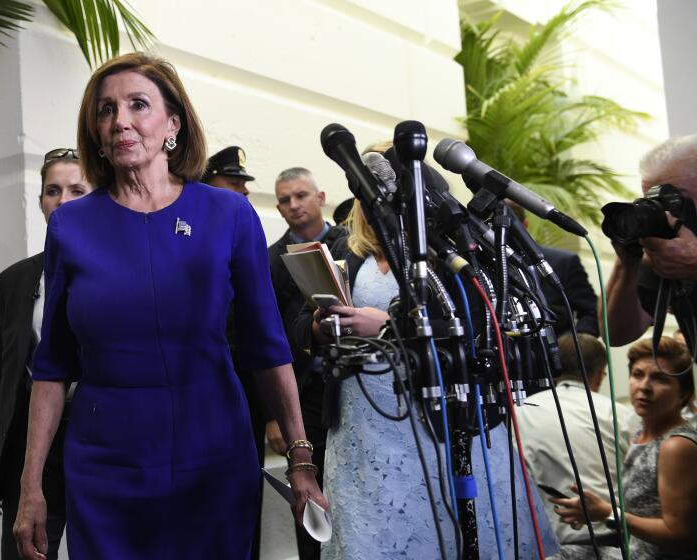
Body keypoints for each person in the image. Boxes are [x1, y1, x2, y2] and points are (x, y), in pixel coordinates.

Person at [12, 52, 325, 560]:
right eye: (106, 110)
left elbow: (266, 346)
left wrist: (300, 459)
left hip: (215, 459)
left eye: (139, 104)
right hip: (104, 467)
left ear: (172, 123)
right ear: (95, 129)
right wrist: (31, 489)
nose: (121, 121)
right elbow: (51, 367)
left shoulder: (229, 214)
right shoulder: (70, 227)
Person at [292, 194, 558, 558]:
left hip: (433, 418)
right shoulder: (347, 250)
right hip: (361, 422)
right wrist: (320, 327)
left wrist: (388, 325)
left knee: (438, 525)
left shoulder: (445, 253)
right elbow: (297, 324)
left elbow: (478, 327)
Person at [0, 148, 94, 559]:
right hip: (31, 446)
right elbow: (2, 376)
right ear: (41, 200)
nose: (63, 201)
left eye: (78, 189)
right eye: (52, 190)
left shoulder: (123, 269)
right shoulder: (13, 281)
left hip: (101, 438)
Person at [266, 167, 349, 560]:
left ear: (321, 197)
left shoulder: (352, 244)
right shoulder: (270, 261)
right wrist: (273, 415)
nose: (293, 205)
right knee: (308, 496)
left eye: (301, 195)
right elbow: (265, 340)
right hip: (303, 395)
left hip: (353, 389)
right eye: (284, 199)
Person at [551, 337, 697, 559]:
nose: (644, 386)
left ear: (684, 394)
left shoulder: (676, 446)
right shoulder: (642, 433)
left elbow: (680, 536)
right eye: (638, 375)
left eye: (660, 379)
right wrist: (593, 510)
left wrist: (608, 512)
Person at [516, 333, 638, 559]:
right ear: (600, 374)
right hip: (616, 546)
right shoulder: (621, 415)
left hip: (547, 549)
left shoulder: (519, 413)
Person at [202, 144, 265, 560]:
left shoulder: (243, 226)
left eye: (244, 184)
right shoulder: (192, 233)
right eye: (234, 182)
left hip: (248, 390)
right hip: (203, 391)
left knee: (245, 501)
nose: (243, 192)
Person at [604, 134, 697, 347]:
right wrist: (627, 264)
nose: (664, 212)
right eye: (653, 200)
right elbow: (617, 335)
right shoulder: (667, 249)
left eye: (673, 198)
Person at [505, 201, 599, 337]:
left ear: (524, 226)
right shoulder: (471, 266)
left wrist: (575, 343)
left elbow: (592, 312)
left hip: (554, 353)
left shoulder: (563, 263)